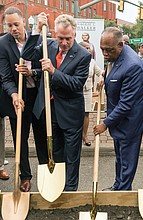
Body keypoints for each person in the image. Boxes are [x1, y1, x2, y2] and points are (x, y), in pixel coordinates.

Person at [22, 12, 91, 191]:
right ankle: (58, 187)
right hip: (50, 109)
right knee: (56, 151)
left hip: (71, 112)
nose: (64, 42)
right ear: (55, 33)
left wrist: (53, 71)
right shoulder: (49, 45)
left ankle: (70, 189)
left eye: (68, 38)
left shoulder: (83, 55)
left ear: (74, 35)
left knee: (72, 155)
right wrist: (37, 30)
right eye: (60, 38)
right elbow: (27, 54)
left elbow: (76, 84)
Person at [93, 27, 143, 191]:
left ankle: (123, 193)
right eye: (102, 49)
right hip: (120, 121)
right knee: (120, 158)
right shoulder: (116, 56)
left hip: (130, 122)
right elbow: (116, 75)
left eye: (109, 50)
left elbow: (126, 104)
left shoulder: (133, 66)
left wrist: (106, 123)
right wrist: (106, 79)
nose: (105, 54)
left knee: (127, 161)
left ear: (121, 45)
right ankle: (118, 185)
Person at [0, 6, 48, 192]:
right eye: (9, 25)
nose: (13, 29)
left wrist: (32, 72)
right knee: (20, 138)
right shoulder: (3, 44)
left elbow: (42, 67)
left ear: (23, 22)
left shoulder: (40, 38)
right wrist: (14, 94)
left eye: (16, 24)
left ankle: (45, 170)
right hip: (18, 97)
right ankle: (25, 176)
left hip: (37, 95)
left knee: (41, 136)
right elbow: (4, 75)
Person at [79, 41, 104, 146]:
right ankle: (76, 136)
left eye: (89, 48)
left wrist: (103, 76)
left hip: (88, 90)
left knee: (86, 113)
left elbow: (100, 72)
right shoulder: (76, 60)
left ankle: (84, 136)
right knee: (76, 114)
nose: (89, 50)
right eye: (86, 48)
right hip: (77, 90)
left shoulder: (92, 62)